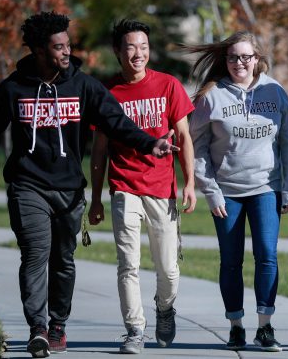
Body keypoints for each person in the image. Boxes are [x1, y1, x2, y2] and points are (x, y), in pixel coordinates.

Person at [0, 11, 179, 359]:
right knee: (36, 254)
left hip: (69, 190)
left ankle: (58, 325)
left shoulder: (83, 86)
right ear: (40, 50)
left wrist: (150, 143)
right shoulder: (14, 88)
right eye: (58, 47)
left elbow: (117, 123)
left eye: (68, 45)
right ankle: (38, 329)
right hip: (28, 186)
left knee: (63, 260)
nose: (66, 52)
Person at [185, 31, 288, 352]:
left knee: (267, 255)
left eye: (245, 57)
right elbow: (196, 146)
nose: (239, 63)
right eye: (233, 57)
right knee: (231, 260)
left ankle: (265, 327)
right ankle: (236, 325)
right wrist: (210, 190)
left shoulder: (274, 91)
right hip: (227, 192)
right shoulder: (212, 96)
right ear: (226, 60)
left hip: (267, 188)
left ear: (257, 59)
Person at [87, 19, 196, 354]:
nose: (138, 53)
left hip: (162, 189)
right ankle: (135, 330)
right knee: (127, 264)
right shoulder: (107, 93)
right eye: (131, 47)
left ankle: (165, 308)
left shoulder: (168, 85)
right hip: (123, 187)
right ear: (118, 50)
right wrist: (95, 199)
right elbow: (100, 150)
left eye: (144, 47)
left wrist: (190, 182)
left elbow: (183, 136)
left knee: (168, 269)